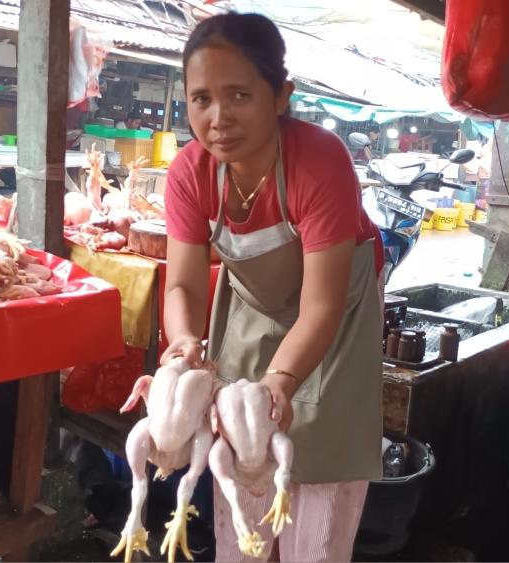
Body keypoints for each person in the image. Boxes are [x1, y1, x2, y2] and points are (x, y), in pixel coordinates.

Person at [162, 13, 384, 562]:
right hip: (250, 313)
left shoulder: (318, 159)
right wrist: (184, 341)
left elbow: (322, 304)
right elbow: (183, 287)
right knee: (243, 456)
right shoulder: (190, 173)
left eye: (238, 94)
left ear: (280, 94)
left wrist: (280, 382)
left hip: (334, 321)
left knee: (319, 468)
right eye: (201, 99)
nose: (217, 118)